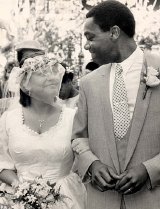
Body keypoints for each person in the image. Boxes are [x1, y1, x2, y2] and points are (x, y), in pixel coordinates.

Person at [72, 1, 160, 209]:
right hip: (101, 201)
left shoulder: (157, 68)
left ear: (113, 32)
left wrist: (151, 169)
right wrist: (91, 164)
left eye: (90, 37)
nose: (86, 45)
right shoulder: (88, 83)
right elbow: (78, 138)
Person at [0, 52, 86, 209]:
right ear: (25, 83)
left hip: (66, 199)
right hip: (18, 199)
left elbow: (86, 160)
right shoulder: (8, 119)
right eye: (42, 73)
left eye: (54, 71)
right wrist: (24, 191)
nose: (52, 78)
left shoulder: (73, 117)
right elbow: (2, 164)